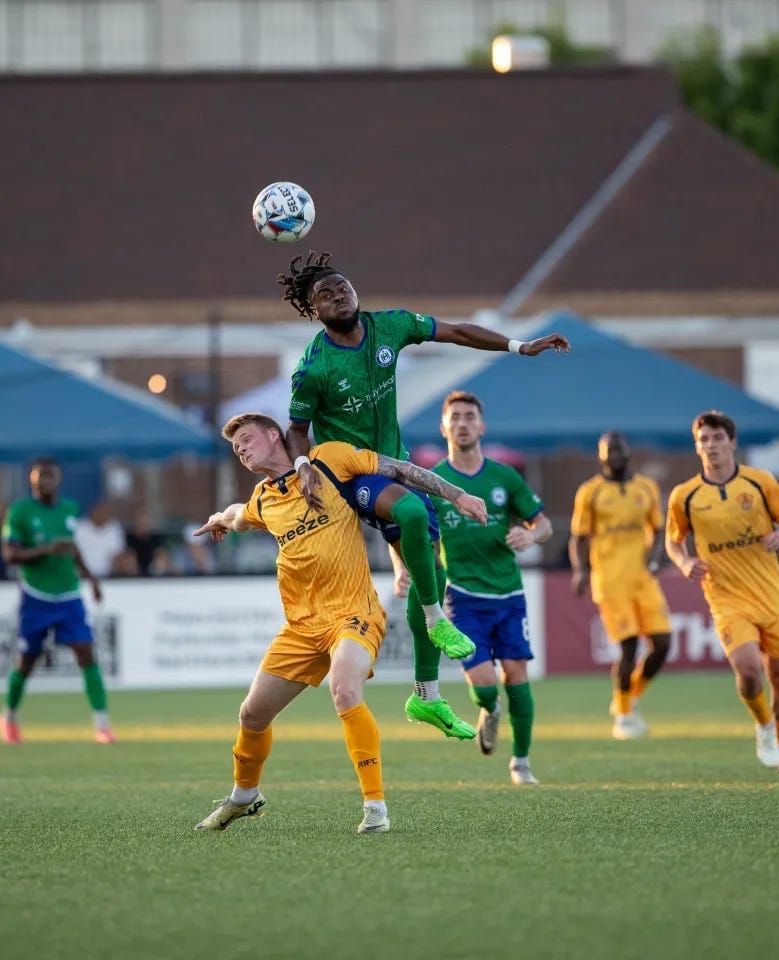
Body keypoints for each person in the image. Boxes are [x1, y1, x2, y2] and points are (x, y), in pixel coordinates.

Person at [279, 251, 570, 739]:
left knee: (427, 572)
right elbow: (295, 429)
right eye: (324, 295)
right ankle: (437, 619)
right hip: (348, 474)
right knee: (414, 513)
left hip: (395, 465)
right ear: (314, 312)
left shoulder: (390, 326)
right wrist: (303, 465)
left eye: (342, 286)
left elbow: (456, 332)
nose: (337, 295)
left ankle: (426, 696)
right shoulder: (313, 366)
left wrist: (521, 346)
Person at [191, 413, 487, 834]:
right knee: (252, 716)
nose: (239, 448)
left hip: (353, 613)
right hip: (301, 627)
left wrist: (457, 495)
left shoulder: (329, 459)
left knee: (344, 688)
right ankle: (243, 797)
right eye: (234, 445)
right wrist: (220, 518)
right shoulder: (263, 498)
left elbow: (399, 469)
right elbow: (239, 513)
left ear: (274, 433)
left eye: (245, 438)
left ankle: (376, 807)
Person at [665, 411, 779, 777]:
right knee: (746, 671)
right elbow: (673, 541)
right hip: (725, 596)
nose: (710, 446)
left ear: (732, 442)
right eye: (703, 440)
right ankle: (764, 726)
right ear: (697, 447)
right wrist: (682, 562)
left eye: (716, 438)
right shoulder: (685, 496)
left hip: (770, 593)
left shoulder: (760, 483)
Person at [430, 392, 552, 785]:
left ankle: (521, 761)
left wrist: (530, 536)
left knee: (517, 673)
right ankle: (489, 710)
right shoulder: (434, 481)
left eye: (470, 417)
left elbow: (544, 525)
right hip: (462, 597)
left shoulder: (504, 477)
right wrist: (405, 568)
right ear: (444, 427)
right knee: (484, 683)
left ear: (482, 426)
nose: (463, 423)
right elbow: (414, 533)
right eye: (456, 417)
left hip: (509, 595)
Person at [0, 456, 112, 745]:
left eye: (50, 476)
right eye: (40, 476)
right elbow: (10, 555)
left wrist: (91, 579)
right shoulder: (20, 512)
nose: (45, 481)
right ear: (32, 480)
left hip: (69, 595)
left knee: (86, 652)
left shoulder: (69, 509)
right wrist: (45, 549)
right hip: (36, 596)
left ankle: (102, 725)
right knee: (26, 661)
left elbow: (71, 548)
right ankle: (8, 716)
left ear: (57, 479)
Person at [570, 431, 672, 740]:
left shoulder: (647, 488)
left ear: (628, 452)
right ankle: (624, 718)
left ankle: (629, 696)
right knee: (628, 647)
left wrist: (655, 559)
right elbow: (579, 537)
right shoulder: (590, 492)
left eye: (618, 449)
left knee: (663, 644)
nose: (613, 455)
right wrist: (580, 571)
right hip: (610, 580)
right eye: (607, 450)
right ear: (600, 456)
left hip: (643, 578)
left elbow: (657, 529)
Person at [73, 501, 128, 578]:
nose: (101, 515)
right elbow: (73, 553)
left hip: (109, 577)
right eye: (98, 512)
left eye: (104, 513)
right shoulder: (80, 528)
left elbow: (119, 554)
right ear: (92, 513)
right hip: (83, 577)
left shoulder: (114, 529)